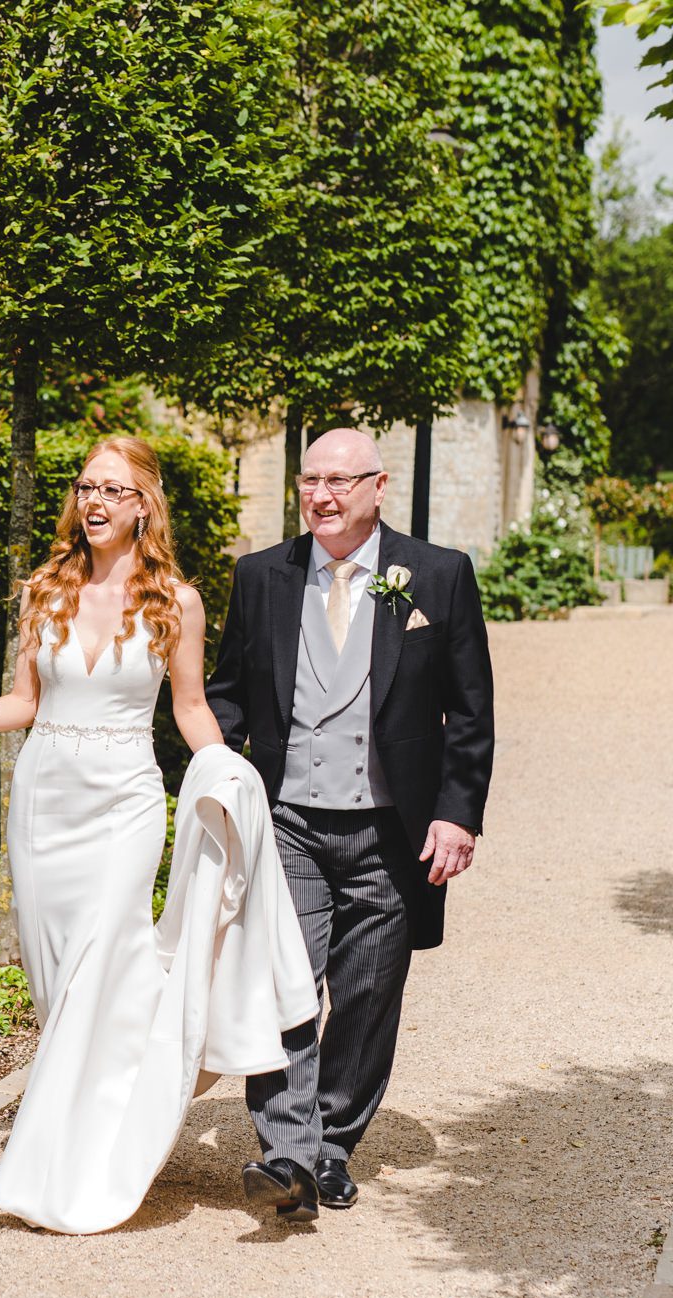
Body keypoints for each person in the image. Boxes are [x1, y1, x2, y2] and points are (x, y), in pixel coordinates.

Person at [0, 435, 313, 1234]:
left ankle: (70, 1169)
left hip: (125, 803)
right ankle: (99, 1117)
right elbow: (23, 702)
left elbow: (191, 709)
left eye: (113, 489)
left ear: (143, 505)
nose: (93, 500)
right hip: (45, 800)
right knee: (61, 984)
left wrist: (231, 775)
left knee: (105, 960)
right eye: (86, 485)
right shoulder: (43, 589)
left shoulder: (177, 601)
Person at [204, 428, 495, 1221]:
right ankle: (288, 1150)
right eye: (310, 482)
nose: (322, 497)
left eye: (339, 481)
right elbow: (227, 692)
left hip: (389, 829)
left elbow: (469, 713)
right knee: (284, 982)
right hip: (289, 819)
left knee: (368, 994)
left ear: (377, 486)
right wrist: (220, 776)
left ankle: (332, 1143)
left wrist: (456, 812)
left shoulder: (436, 574)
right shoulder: (262, 576)